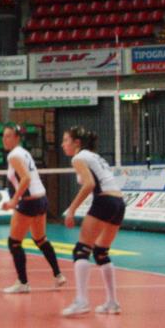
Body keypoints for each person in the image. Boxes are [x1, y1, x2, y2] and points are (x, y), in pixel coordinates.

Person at [61, 126, 125, 316]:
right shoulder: (94, 156)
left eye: (66, 140)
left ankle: (81, 301)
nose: (63, 144)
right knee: (101, 252)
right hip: (119, 203)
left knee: (81, 250)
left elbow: (89, 184)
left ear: (77, 143)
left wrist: (71, 209)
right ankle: (112, 302)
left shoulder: (78, 157)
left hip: (105, 200)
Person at [1, 124, 65, 293]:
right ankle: (58, 275)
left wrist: (14, 200)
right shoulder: (24, 152)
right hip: (41, 200)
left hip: (29, 202)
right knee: (40, 239)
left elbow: (26, 179)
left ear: (17, 138)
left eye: (8, 136)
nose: (4, 139)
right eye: (3, 136)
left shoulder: (14, 155)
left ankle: (23, 283)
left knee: (14, 242)